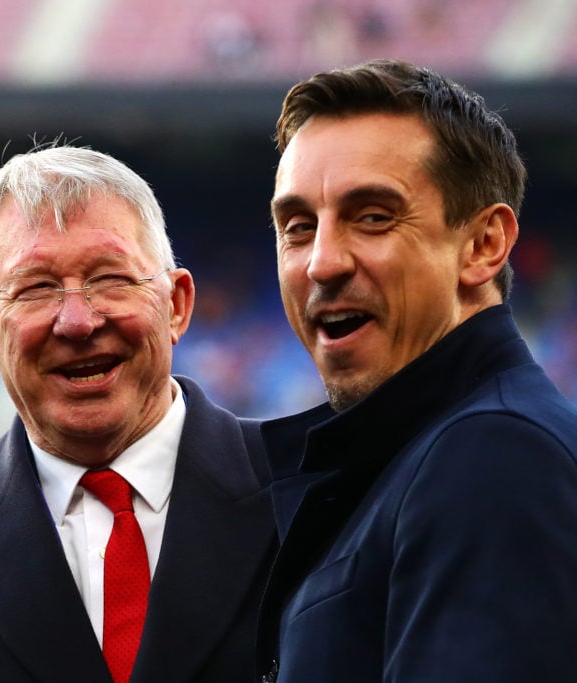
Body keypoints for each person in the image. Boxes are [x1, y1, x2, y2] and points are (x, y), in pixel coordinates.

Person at [0, 145, 275, 682]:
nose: (78, 321)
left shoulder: (312, 492)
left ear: (176, 304)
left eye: (111, 278)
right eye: (36, 288)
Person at [256, 59, 577, 682]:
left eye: (373, 216)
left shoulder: (493, 454)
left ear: (485, 245)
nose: (322, 263)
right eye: (297, 228)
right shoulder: (413, 458)